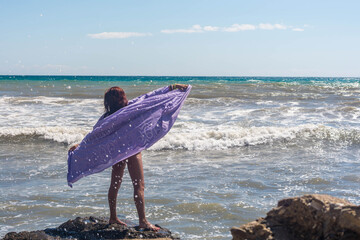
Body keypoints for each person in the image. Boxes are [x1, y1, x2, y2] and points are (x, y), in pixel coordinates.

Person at [68, 83, 188, 231]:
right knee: (139, 185)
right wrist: (171, 87)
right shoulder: (130, 108)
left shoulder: (108, 116)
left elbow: (94, 135)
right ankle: (143, 221)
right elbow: (148, 97)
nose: (125, 97)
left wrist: (81, 145)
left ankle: (113, 217)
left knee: (115, 184)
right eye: (122, 96)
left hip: (117, 153)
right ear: (119, 99)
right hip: (132, 151)